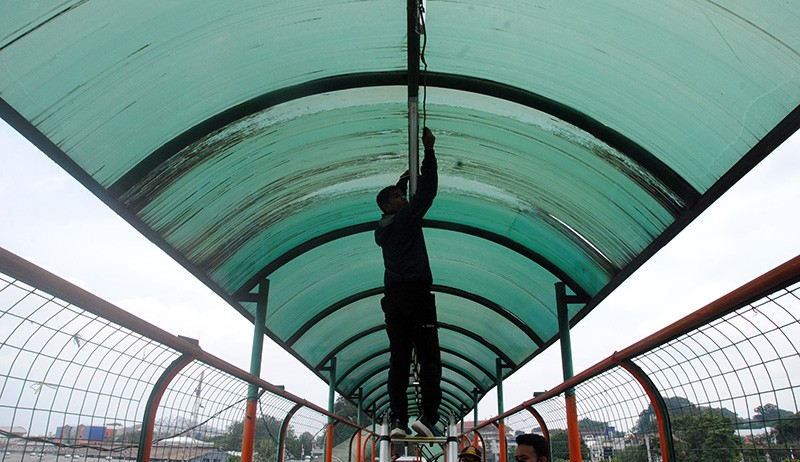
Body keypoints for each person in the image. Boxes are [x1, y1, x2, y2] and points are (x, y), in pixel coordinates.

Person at [375, 127, 441, 438]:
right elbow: (426, 193)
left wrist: (401, 182)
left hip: (393, 300)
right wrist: (429, 152)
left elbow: (402, 200)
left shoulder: (384, 227)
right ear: (387, 206)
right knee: (428, 356)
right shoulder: (404, 219)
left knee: (399, 359)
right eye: (399, 197)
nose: (404, 198)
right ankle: (428, 417)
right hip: (416, 296)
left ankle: (400, 421)